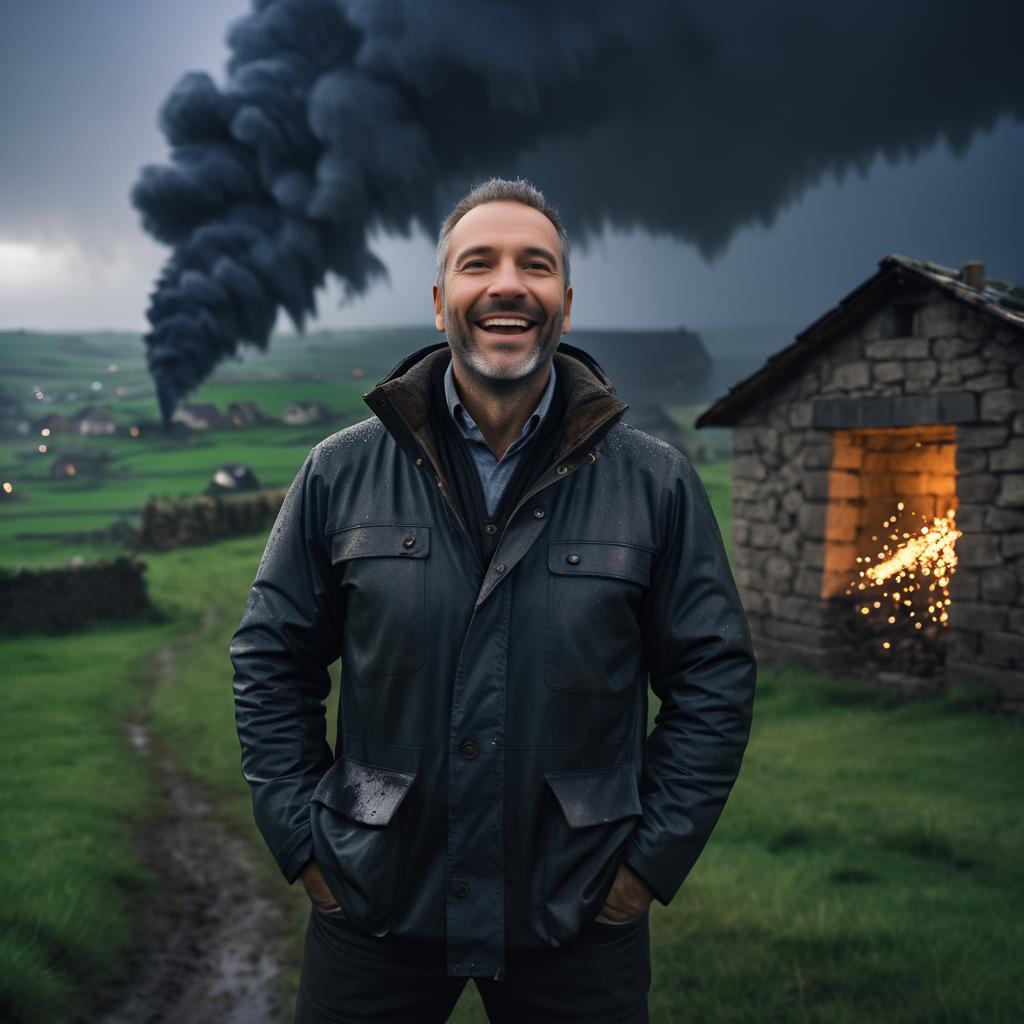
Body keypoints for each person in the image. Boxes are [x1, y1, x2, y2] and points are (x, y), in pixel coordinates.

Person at [230, 177, 757, 1024]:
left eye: (535, 265)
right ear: (441, 301)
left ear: (566, 304)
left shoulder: (655, 483)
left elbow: (714, 681)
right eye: (480, 263)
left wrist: (643, 869)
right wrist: (306, 846)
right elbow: (270, 658)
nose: (508, 284)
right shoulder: (339, 471)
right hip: (374, 901)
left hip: (578, 910)